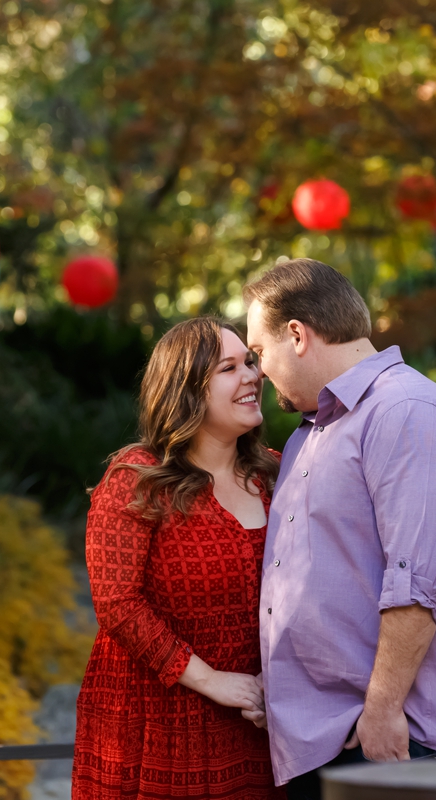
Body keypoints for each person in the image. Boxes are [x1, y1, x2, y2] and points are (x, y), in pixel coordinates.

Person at [243, 259, 436, 800]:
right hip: (325, 741)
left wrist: (381, 711)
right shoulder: (307, 437)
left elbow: (419, 581)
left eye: (258, 352)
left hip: (399, 740)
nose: (257, 371)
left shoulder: (408, 412)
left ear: (297, 334)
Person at [72, 316, 287, 800]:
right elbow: (117, 602)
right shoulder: (137, 479)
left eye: (250, 362)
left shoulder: (278, 474)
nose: (251, 375)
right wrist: (210, 681)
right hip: (154, 723)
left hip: (255, 719)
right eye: (228, 368)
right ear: (186, 390)